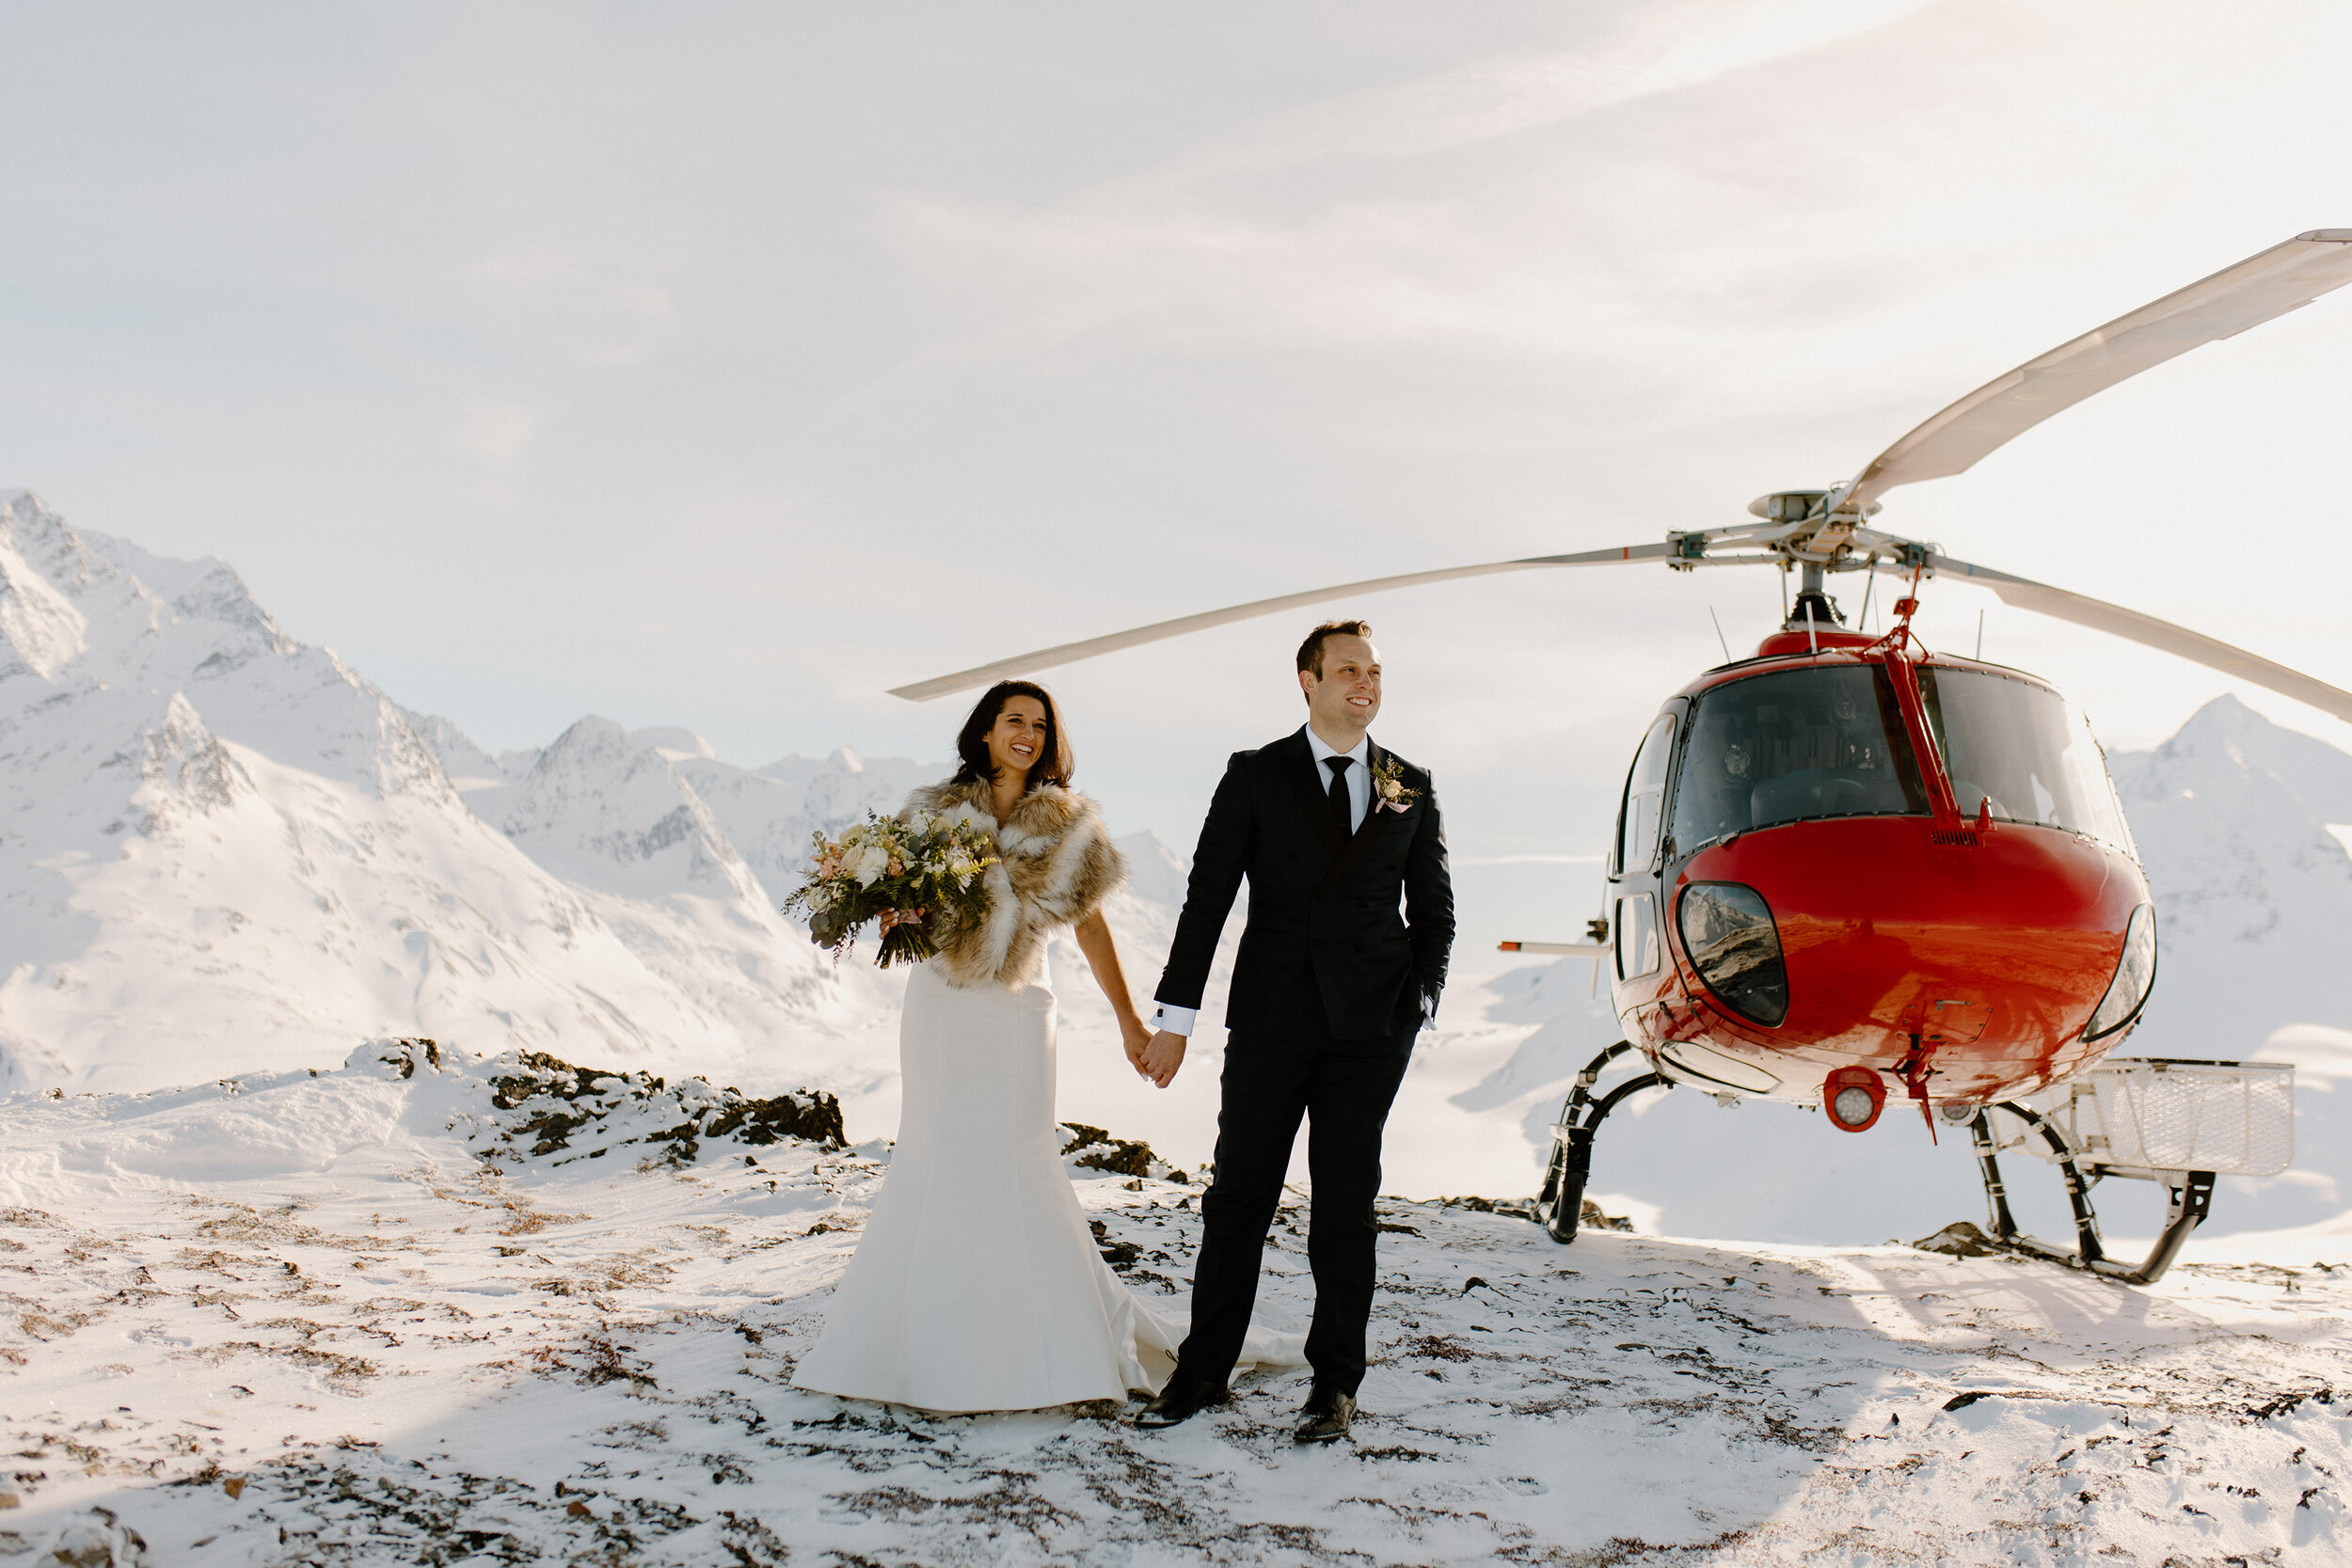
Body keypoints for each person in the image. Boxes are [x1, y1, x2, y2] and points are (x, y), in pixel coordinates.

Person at [791, 680, 1303, 1413]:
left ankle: (1046, 1348)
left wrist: (1131, 1020)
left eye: (1039, 724)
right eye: (1014, 721)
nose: (1027, 734)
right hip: (939, 1007)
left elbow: (1091, 927)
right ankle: (914, 1345)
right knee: (932, 1150)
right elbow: (899, 911)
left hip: (1018, 1009)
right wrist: (891, 904)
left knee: (1022, 1155)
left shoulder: (1067, 825)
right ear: (986, 731)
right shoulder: (933, 810)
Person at [1134, 619, 1454, 1443]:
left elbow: (1436, 912)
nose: (1366, 680)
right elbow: (1206, 903)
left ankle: (1334, 1385)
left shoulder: (1409, 783)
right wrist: (1173, 1021)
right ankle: (1204, 1370)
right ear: (1306, 680)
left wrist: (1417, 1000)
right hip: (1272, 1021)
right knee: (1238, 1195)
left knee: (1346, 1208)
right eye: (1348, 667)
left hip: (1369, 1033)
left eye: (1375, 668)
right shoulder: (1253, 775)